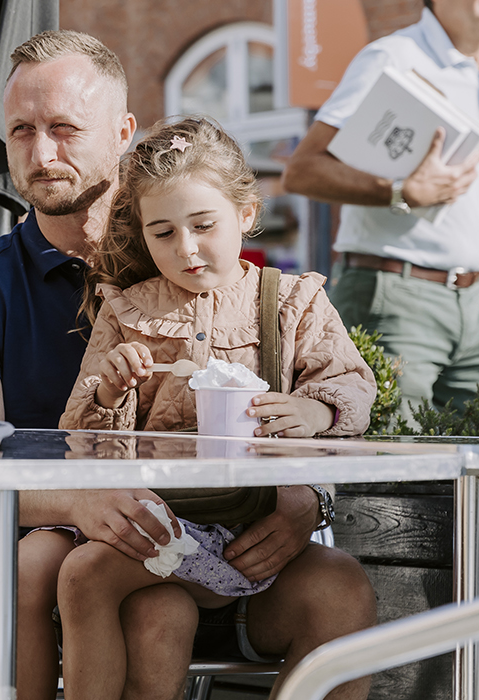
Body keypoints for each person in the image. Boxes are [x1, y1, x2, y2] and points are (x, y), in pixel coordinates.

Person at [0, 30, 375, 700]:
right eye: (21, 131)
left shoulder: (224, 271)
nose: (41, 153)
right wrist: (83, 500)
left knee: (342, 591)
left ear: (123, 132)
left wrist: (305, 495)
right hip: (93, 558)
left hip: (233, 536)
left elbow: (335, 390)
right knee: (61, 572)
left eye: (64, 128)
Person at [56, 117, 376, 700]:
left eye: (203, 225)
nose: (186, 249)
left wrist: (318, 414)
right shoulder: (128, 312)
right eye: (163, 233)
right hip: (165, 529)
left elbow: (352, 385)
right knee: (88, 576)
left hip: (257, 530)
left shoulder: (292, 302)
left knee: (344, 587)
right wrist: (109, 394)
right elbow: (78, 440)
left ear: (247, 214)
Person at [283, 0, 479, 422]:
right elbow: (302, 171)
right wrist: (399, 190)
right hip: (394, 296)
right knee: (392, 465)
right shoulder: (392, 57)